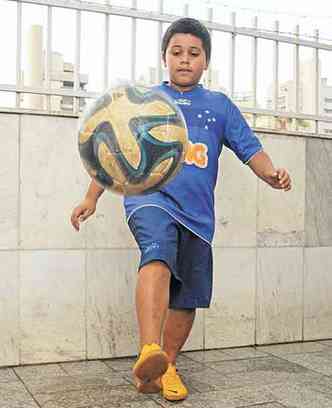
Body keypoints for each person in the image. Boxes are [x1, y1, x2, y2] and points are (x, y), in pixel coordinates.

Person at [71, 17, 291, 402]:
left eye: (193, 53)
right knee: (156, 253)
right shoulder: (145, 102)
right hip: (149, 198)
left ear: (205, 61)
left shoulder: (219, 106)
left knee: (188, 296)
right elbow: (114, 151)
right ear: (164, 58)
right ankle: (148, 349)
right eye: (177, 53)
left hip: (198, 216)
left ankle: (164, 366)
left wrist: (270, 174)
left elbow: (250, 149)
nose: (184, 60)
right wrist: (91, 196)